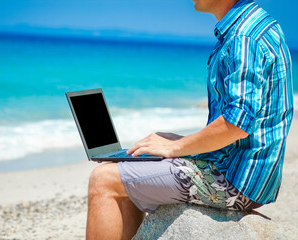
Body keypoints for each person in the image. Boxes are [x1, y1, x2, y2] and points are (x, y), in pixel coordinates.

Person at [86, 0, 294, 239]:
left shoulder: (242, 37)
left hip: (236, 180)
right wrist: (186, 143)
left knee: (102, 180)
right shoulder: (255, 24)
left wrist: (176, 147)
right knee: (131, 162)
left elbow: (237, 124)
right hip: (244, 170)